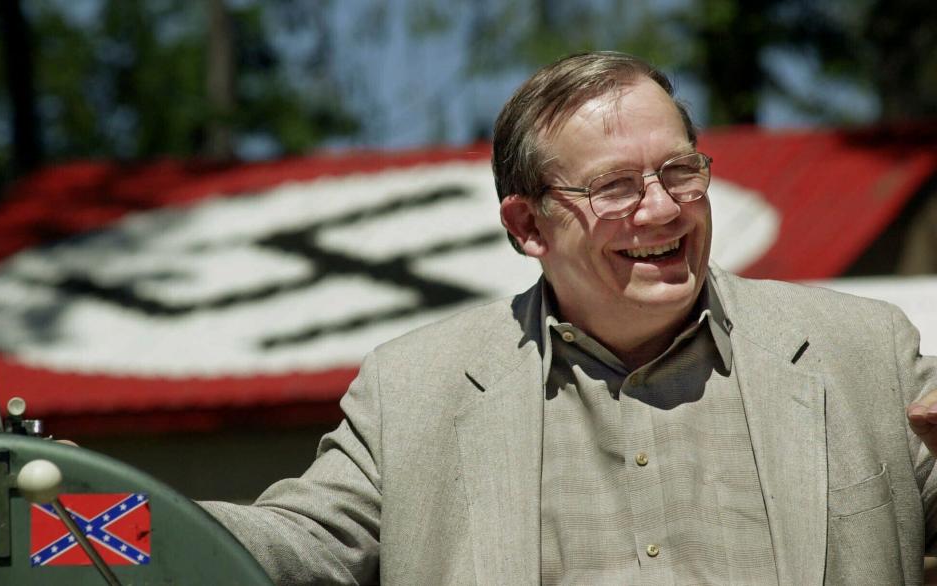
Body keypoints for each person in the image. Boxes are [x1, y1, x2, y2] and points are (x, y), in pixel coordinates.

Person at [201, 51, 937, 585]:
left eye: (680, 170)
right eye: (614, 187)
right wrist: (102, 518)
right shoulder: (414, 390)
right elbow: (296, 546)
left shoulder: (863, 352)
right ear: (528, 227)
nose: (662, 207)